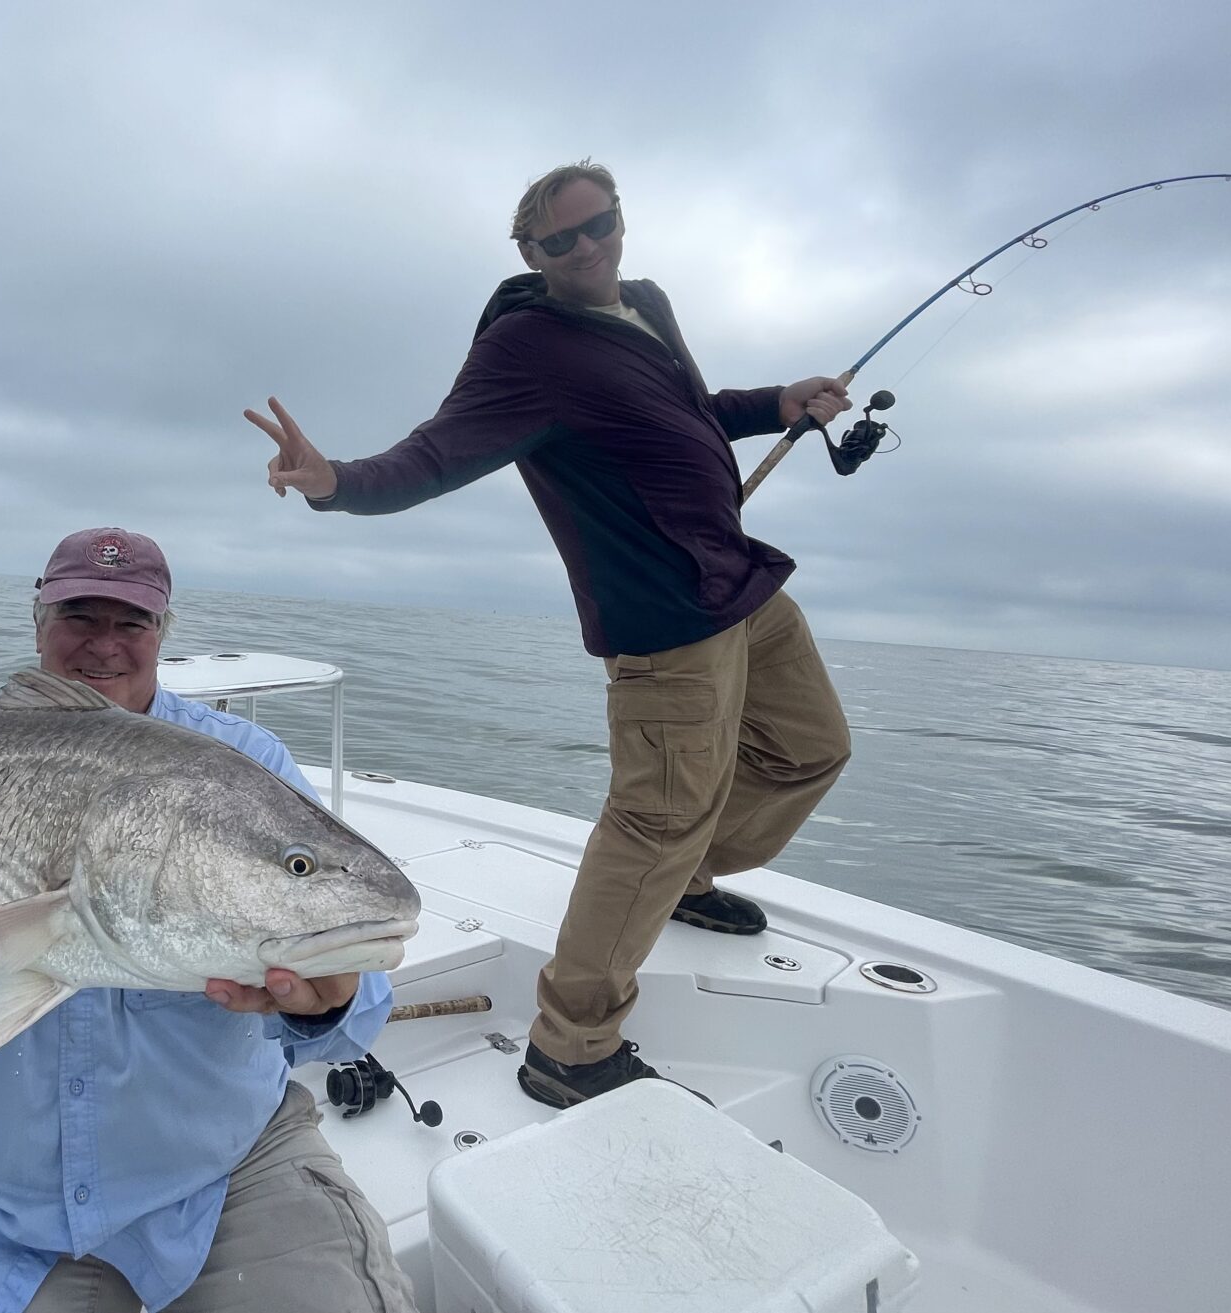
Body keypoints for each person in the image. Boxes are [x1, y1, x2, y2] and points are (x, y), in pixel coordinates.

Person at [243, 160, 854, 1111]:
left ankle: (690, 875)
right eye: (560, 239)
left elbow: (690, 412)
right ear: (530, 252)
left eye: (599, 225)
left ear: (621, 219)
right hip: (666, 622)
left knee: (814, 748)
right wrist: (336, 482)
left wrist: (778, 401)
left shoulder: (647, 303)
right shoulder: (528, 346)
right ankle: (570, 1043)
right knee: (652, 819)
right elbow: (436, 453)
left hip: (741, 580)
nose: (587, 248)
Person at [0, 526, 417, 1313]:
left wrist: (327, 995)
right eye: (79, 616)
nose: (105, 645)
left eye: (131, 623)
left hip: (228, 1181)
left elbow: (350, 1025)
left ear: (164, 632)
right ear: (37, 620)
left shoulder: (244, 767)